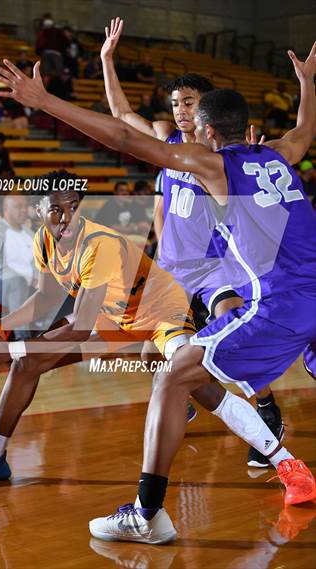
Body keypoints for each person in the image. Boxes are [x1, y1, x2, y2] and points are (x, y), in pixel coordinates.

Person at [0, 40, 316, 536]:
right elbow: (303, 131)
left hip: (278, 299)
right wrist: (308, 85)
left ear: (207, 131)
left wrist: (46, 103)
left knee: (172, 378)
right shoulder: (279, 156)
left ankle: (147, 514)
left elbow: (122, 135)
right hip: (269, 288)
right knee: (166, 364)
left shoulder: (212, 164)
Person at [0, 172, 307, 509]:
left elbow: (80, 327)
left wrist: (4, 348)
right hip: (117, 316)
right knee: (27, 362)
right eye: (55, 210)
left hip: (161, 310)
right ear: (39, 211)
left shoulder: (100, 243)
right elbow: (46, 300)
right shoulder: (43, 242)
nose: (65, 218)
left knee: (203, 389)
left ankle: (287, 464)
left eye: (72, 208)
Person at [100, 18, 283, 468]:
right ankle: (181, 396)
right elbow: (122, 116)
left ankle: (267, 410)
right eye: (176, 102)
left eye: (190, 102)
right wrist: (107, 60)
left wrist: (254, 151)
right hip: (174, 269)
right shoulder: (166, 143)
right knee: (147, 352)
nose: (181, 110)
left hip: (216, 267)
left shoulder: (220, 156)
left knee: (234, 342)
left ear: (208, 112)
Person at [0, 195, 36, 340]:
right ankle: (23, 339)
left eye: (25, 206)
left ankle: (61, 337)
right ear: (6, 209)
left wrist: (43, 280)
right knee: (17, 283)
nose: (23, 210)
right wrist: (31, 280)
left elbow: (39, 263)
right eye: (18, 206)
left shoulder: (30, 233)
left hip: (26, 283)